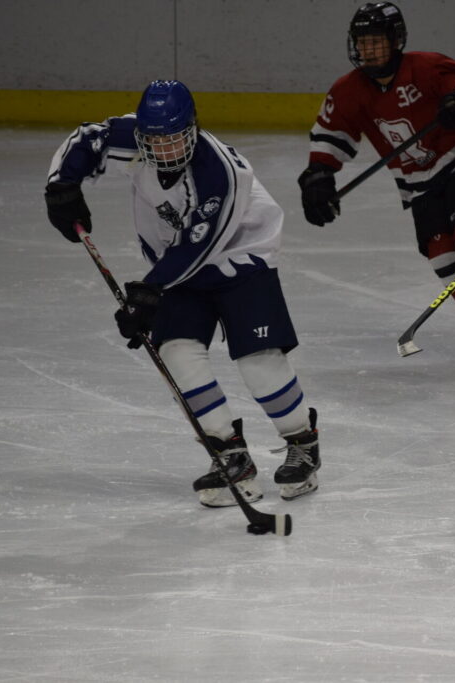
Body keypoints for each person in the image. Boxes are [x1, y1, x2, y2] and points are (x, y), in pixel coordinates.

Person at [44, 80, 321, 506]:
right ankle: (230, 455)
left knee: (258, 360)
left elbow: (198, 243)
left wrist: (149, 291)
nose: (164, 149)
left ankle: (302, 443)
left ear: (192, 128)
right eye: (154, 140)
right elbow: (88, 138)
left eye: (173, 138)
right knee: (176, 350)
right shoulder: (133, 139)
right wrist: (62, 186)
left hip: (241, 259)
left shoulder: (221, 173)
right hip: (176, 266)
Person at [299, 1, 455, 360]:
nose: (367, 50)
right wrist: (319, 175)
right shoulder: (349, 90)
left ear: (396, 41)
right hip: (419, 182)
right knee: (442, 255)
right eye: (362, 42)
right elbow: (330, 135)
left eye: (376, 41)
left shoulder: (427, 67)